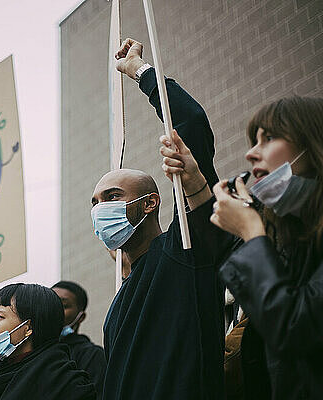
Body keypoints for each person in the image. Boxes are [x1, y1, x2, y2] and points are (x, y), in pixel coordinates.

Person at [91, 38, 235, 399]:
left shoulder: (184, 249)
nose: (100, 209)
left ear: (151, 203)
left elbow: (190, 123)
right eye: (95, 202)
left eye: (111, 197)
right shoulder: (118, 302)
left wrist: (140, 71)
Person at [210, 96, 323, 399]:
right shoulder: (296, 233)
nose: (250, 153)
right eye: (253, 140)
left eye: (269, 138)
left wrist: (251, 231)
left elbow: (294, 327)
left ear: (313, 145)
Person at [52, 281, 106, 398]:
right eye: (50, 304)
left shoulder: (92, 356)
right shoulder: (33, 351)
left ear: (80, 317)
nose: (54, 311)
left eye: (64, 306)